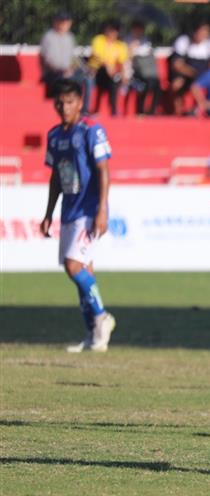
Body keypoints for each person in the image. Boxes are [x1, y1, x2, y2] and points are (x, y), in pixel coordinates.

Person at [40, 79, 117, 353]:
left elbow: (103, 170)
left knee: (73, 267)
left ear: (79, 103)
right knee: (83, 271)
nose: (64, 107)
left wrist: (102, 210)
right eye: (59, 102)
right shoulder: (54, 135)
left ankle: (101, 317)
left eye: (69, 102)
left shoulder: (91, 130)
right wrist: (49, 213)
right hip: (69, 211)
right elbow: (55, 178)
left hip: (88, 210)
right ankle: (94, 335)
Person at [169, 22, 210, 115]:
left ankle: (207, 108)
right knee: (177, 85)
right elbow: (177, 65)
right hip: (186, 72)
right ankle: (179, 112)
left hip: (204, 74)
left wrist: (202, 76)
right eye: (200, 32)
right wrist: (193, 74)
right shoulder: (184, 41)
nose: (202, 35)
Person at [39, 12, 85, 110]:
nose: (63, 25)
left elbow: (74, 57)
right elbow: (48, 59)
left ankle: (82, 109)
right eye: (61, 22)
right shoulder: (48, 37)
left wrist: (75, 67)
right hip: (54, 72)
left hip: (69, 71)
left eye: (65, 22)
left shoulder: (70, 37)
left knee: (86, 79)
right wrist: (63, 69)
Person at [87, 20, 128, 116]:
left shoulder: (120, 45)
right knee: (108, 74)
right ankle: (106, 109)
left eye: (114, 31)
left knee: (114, 80)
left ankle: (113, 109)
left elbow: (122, 62)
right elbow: (98, 57)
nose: (112, 33)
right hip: (96, 71)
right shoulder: (99, 40)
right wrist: (108, 66)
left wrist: (123, 74)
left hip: (110, 75)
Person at [125, 20, 162, 116]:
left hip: (147, 71)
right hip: (134, 71)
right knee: (144, 84)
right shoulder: (127, 40)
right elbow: (125, 58)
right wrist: (131, 49)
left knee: (157, 84)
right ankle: (140, 110)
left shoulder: (146, 40)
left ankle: (152, 110)